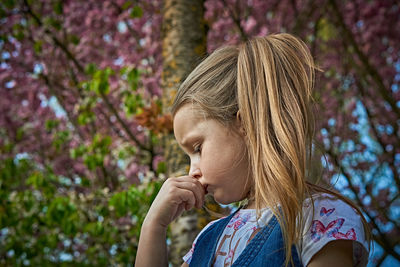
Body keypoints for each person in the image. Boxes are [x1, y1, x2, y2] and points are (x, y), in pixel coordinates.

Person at [135, 33, 370, 267]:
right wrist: (153, 226)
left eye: (197, 148)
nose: (192, 171)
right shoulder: (208, 239)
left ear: (245, 123)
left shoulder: (320, 217)